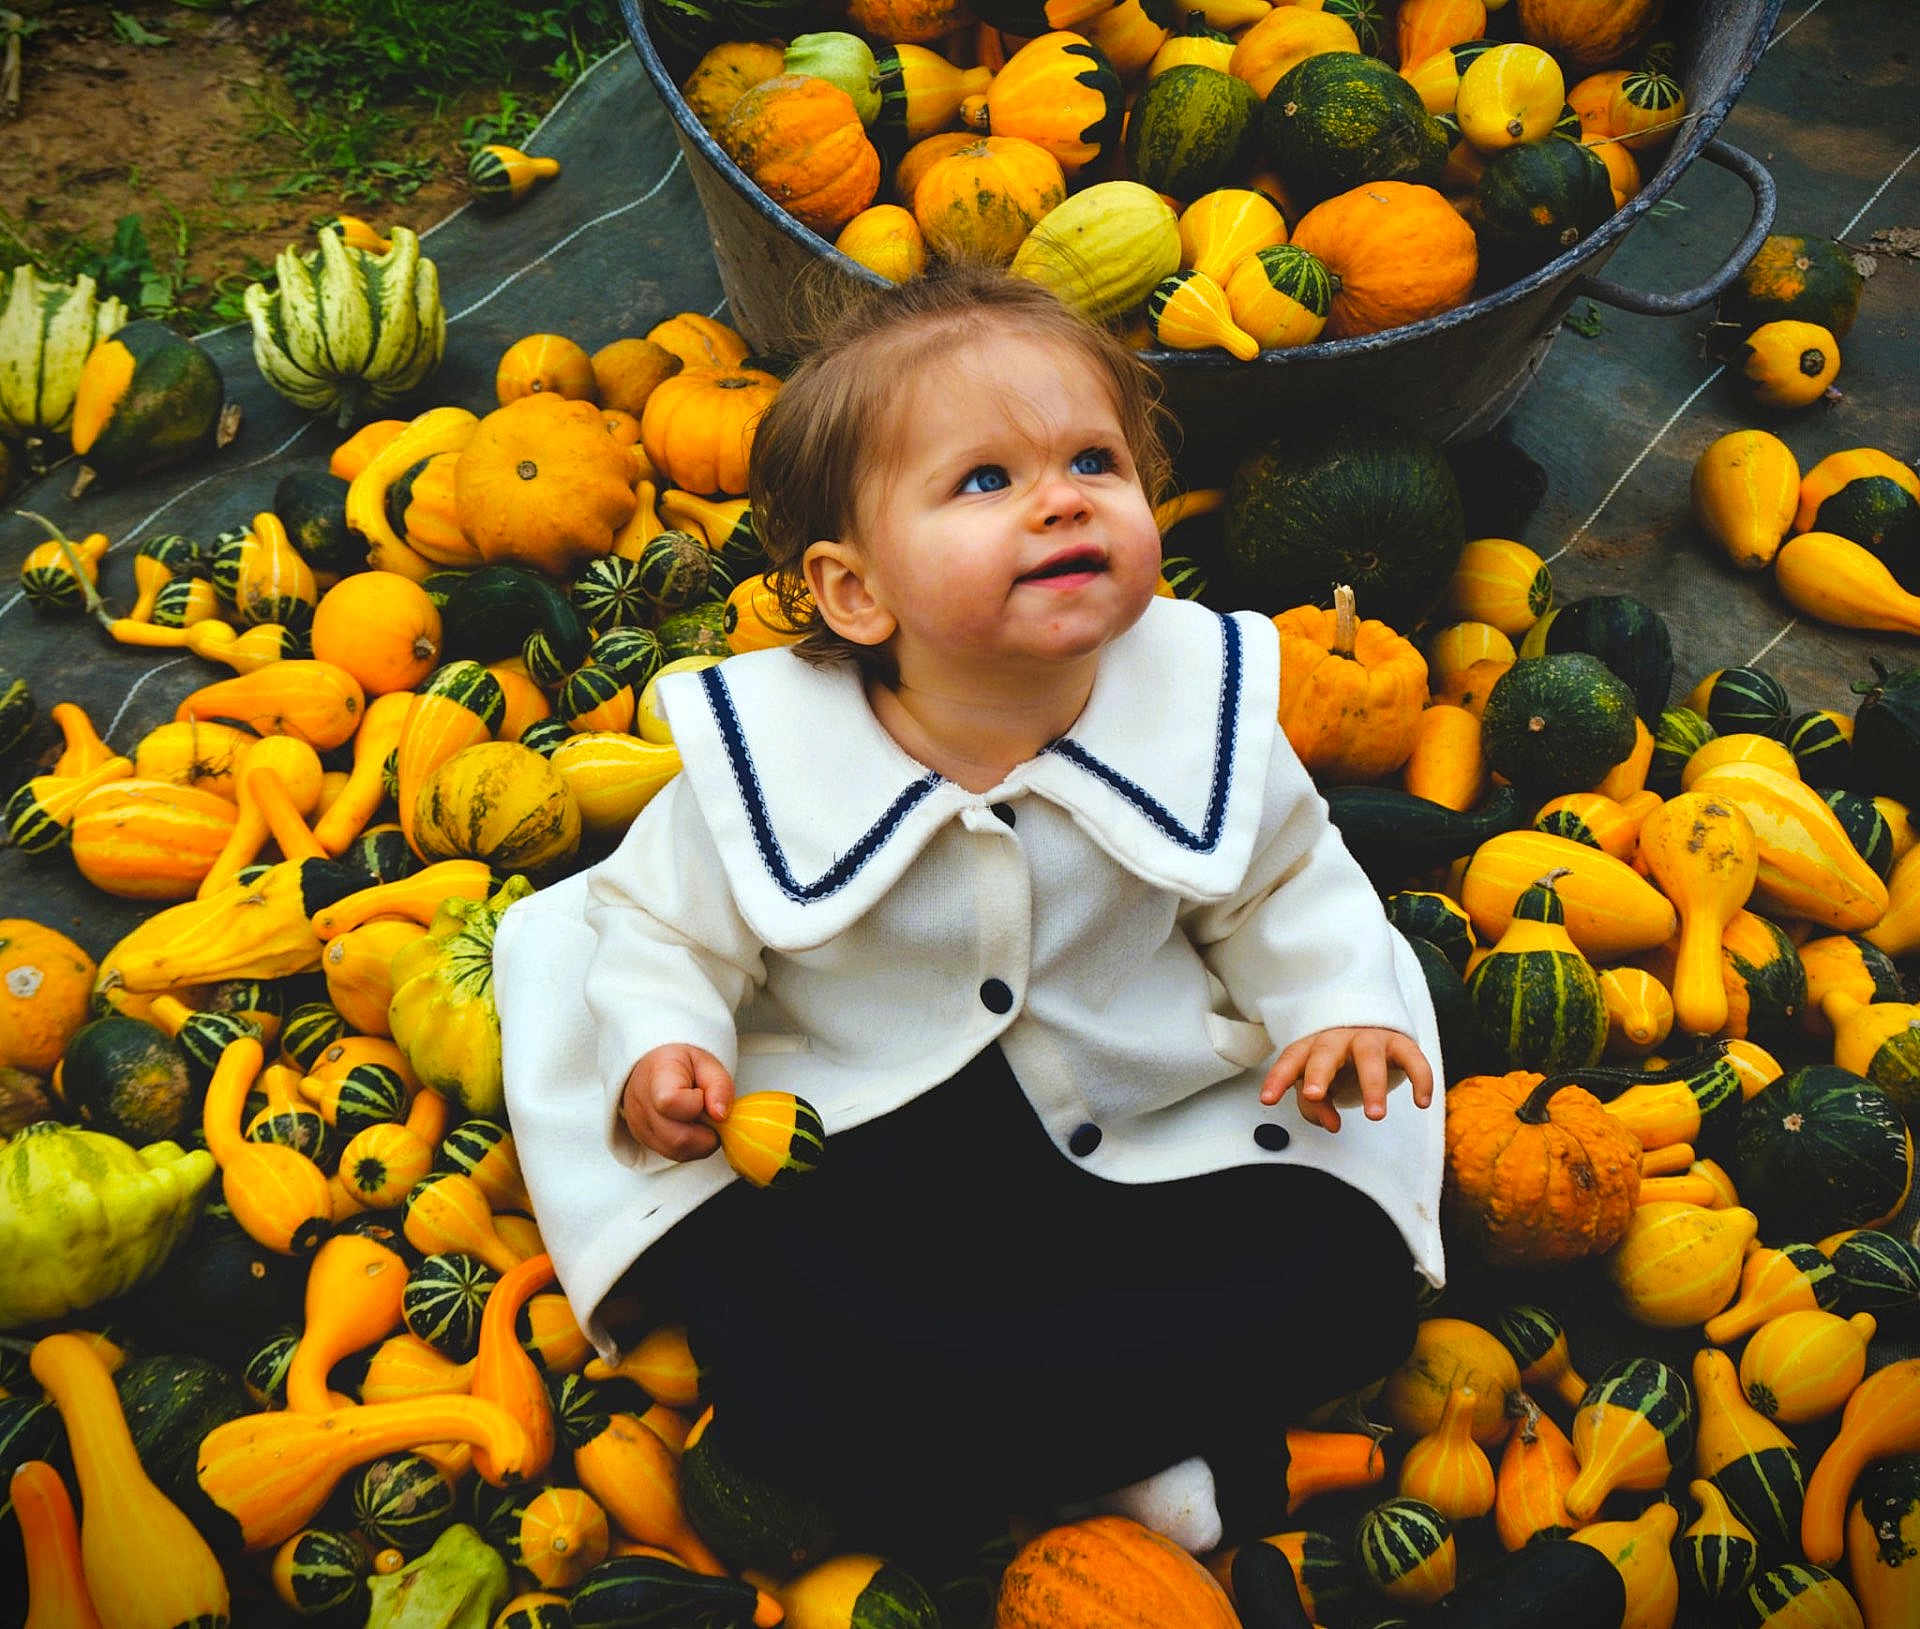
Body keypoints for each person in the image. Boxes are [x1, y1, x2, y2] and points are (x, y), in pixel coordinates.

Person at [494, 262, 1445, 1566]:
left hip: (1137, 1111)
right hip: (872, 1141)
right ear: (855, 591)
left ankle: (1032, 1464)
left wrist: (1336, 1003)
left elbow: (1289, 879)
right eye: (985, 480)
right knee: (795, 1336)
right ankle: (1140, 1461)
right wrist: (672, 1045)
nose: (1062, 497)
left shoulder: (1198, 709)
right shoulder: (767, 767)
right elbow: (660, 932)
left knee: (1343, 1270)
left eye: (1095, 461)